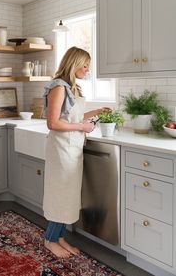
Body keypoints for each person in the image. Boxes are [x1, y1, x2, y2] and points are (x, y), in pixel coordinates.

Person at [43, 46, 110, 258]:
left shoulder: (74, 88)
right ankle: (50, 239)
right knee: (60, 195)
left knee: (69, 196)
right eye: (85, 65)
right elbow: (53, 123)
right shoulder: (59, 87)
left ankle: (60, 236)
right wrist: (83, 127)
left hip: (73, 149)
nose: (88, 69)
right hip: (62, 150)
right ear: (75, 64)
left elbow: (73, 115)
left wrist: (97, 111)